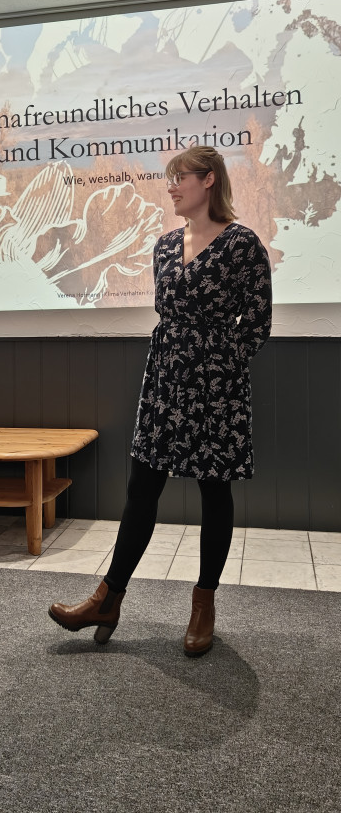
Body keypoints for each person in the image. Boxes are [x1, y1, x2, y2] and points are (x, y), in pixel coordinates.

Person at [49, 146, 272, 656]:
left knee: (214, 491)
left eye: (180, 177)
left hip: (216, 388)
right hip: (165, 381)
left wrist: (220, 364)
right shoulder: (166, 244)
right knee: (141, 488)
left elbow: (257, 323)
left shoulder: (242, 244)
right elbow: (169, 312)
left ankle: (204, 603)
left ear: (209, 180)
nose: (171, 186)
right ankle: (107, 599)